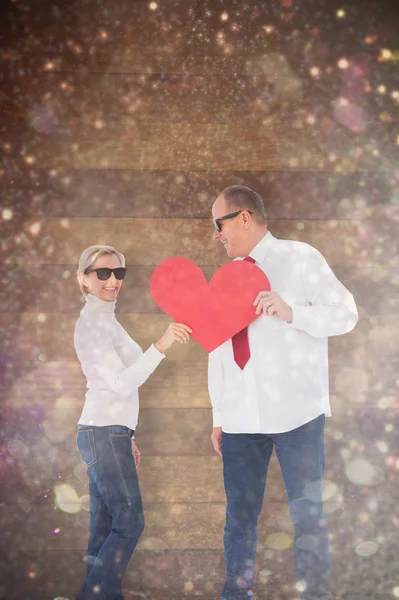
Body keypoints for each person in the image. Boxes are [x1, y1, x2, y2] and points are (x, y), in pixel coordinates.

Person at [208, 186, 358, 600]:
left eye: (218, 225)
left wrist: (292, 311)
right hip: (241, 419)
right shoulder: (223, 279)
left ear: (243, 217)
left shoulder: (301, 258)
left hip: (298, 415)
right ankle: (236, 595)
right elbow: (218, 348)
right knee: (239, 518)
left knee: (308, 515)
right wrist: (219, 413)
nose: (215, 235)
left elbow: (347, 314)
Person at [74, 244, 191, 600]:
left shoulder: (106, 319)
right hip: (103, 434)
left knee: (104, 527)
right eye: (103, 273)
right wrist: (163, 343)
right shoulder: (94, 322)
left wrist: (127, 434)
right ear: (84, 279)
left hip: (107, 432)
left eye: (118, 273)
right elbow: (123, 382)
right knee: (129, 522)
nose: (112, 280)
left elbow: (112, 386)